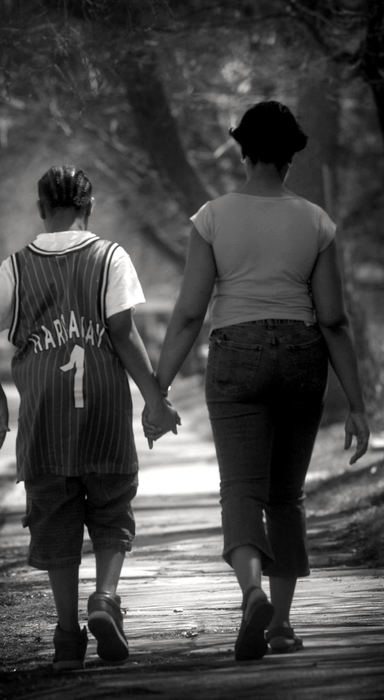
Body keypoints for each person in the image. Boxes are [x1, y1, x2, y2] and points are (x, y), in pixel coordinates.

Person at [143, 101, 370, 661]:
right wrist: (360, 406)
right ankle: (283, 625)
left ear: (243, 151)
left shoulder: (213, 217)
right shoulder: (317, 221)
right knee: (286, 496)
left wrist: (158, 389)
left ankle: (250, 592)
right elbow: (335, 319)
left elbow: (191, 314)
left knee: (240, 490)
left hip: (236, 353)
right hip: (301, 354)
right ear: (292, 156)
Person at [0, 165, 179, 671]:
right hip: (104, 409)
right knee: (111, 510)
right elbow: (124, 333)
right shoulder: (111, 257)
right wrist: (154, 398)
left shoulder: (16, 268)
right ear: (90, 206)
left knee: (55, 522)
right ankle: (104, 598)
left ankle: (66, 636)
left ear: (42, 209)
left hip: (44, 420)